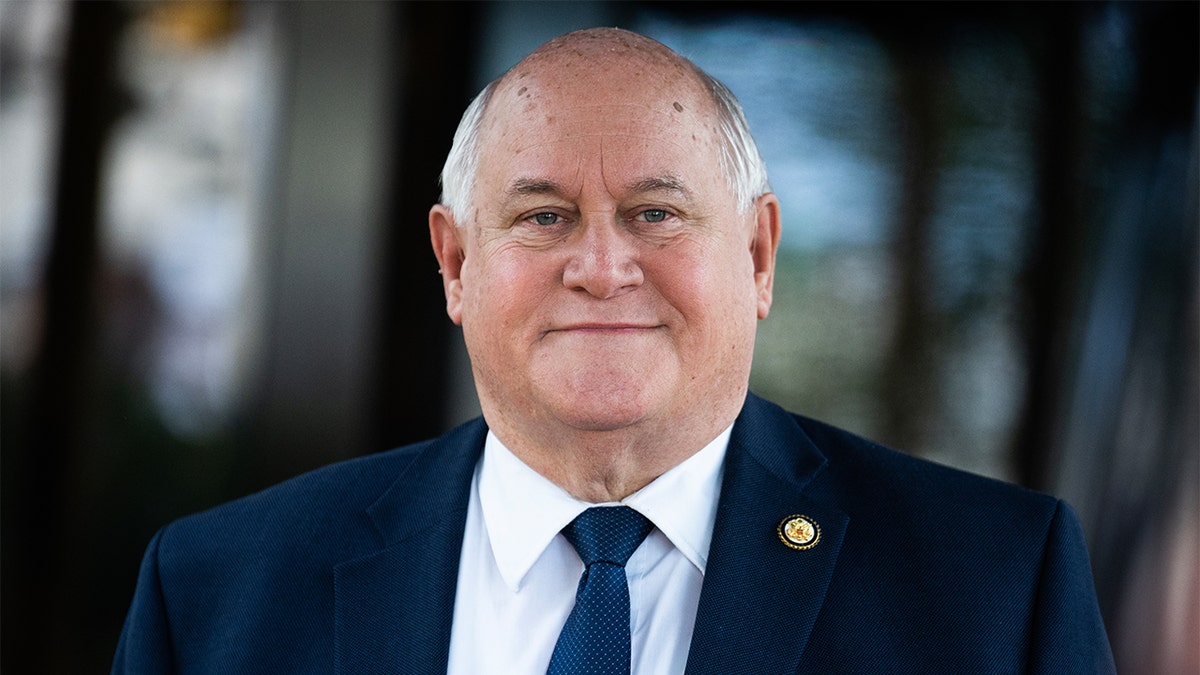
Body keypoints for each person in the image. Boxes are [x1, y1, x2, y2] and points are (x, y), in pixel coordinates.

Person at [112, 28, 1115, 674]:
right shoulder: (216, 595)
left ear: (759, 255)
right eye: (543, 216)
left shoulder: (992, 591)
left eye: (655, 213)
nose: (600, 266)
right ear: (455, 263)